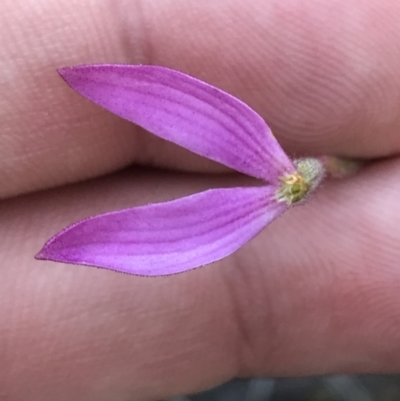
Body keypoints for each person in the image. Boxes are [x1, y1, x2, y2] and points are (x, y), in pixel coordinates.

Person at [2, 0, 400, 400]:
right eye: (297, 186)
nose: (295, 186)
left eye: (296, 187)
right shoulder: (283, 186)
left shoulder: (285, 186)